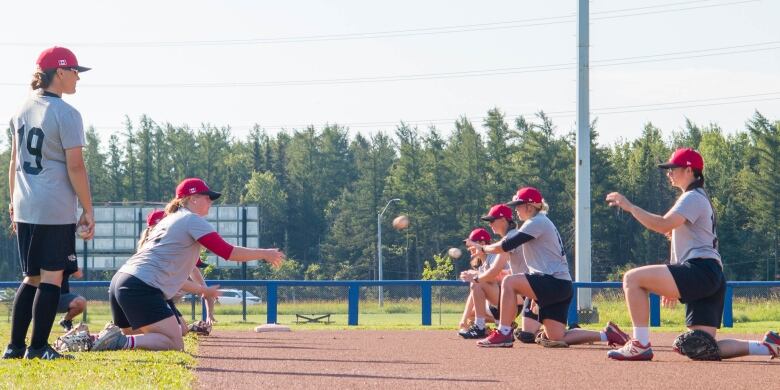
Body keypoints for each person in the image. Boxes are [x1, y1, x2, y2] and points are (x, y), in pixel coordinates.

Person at [605, 148, 779, 361]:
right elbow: (683, 240)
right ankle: (767, 346)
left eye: (673, 169)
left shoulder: (692, 197)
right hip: (709, 275)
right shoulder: (697, 197)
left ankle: (640, 344)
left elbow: (662, 225)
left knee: (631, 279)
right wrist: (673, 281)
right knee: (700, 346)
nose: (669, 173)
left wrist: (630, 206)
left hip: (700, 271)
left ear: (689, 170)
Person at [92, 178, 284, 351]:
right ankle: (119, 342)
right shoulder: (191, 219)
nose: (211, 201)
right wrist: (264, 253)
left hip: (121, 280)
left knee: (134, 335)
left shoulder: (169, 220)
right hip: (140, 285)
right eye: (207, 197)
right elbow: (228, 252)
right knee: (173, 342)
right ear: (193, 198)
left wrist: (202, 289)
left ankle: (89, 339)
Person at [3, 47, 95, 360]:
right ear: (58, 72)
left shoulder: (21, 108)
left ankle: (15, 347)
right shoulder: (67, 113)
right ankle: (39, 347)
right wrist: (88, 209)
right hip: (54, 205)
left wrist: (13, 204)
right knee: (53, 276)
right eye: (73, 70)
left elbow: (14, 161)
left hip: (26, 204)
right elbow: (76, 167)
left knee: (32, 277)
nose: (78, 77)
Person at [466, 187, 629, 348]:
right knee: (557, 336)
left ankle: (504, 332)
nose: (516, 210)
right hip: (561, 285)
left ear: (530, 206)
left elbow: (506, 245)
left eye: (518, 205)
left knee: (509, 282)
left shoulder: (536, 221)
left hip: (552, 282)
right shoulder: (539, 221)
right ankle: (607, 334)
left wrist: (483, 248)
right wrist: (535, 296)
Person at [459, 205, 543, 342]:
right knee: (528, 336)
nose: (490, 224)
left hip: (527, 291)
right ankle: (502, 325)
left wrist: (475, 276)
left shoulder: (511, 237)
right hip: (525, 292)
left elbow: (494, 272)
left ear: (504, 220)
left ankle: (485, 327)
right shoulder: (511, 236)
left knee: (479, 282)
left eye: (492, 220)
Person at [140, 209, 216, 337]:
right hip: (142, 294)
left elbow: (205, 290)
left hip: (158, 297)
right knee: (173, 333)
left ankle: (189, 327)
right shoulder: (150, 251)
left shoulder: (177, 250)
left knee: (182, 330)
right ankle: (121, 334)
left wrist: (210, 315)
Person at [457, 228, 501, 338]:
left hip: (510, 301)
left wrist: (475, 276)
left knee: (477, 283)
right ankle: (500, 322)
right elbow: (473, 295)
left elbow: (497, 278)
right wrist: (464, 319)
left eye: (472, 244)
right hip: (496, 304)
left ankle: (480, 327)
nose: (469, 248)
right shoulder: (482, 263)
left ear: (482, 243)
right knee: (471, 314)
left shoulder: (494, 256)